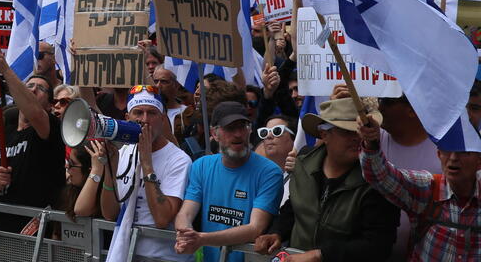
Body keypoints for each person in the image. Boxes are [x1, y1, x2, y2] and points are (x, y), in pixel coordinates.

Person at [255, 98, 398, 262]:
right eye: (346, 131)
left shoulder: (379, 181)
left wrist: (320, 255)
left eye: (360, 131)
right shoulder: (303, 165)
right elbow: (294, 207)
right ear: (324, 134)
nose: (356, 137)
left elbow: (378, 246)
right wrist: (277, 233)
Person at [358, 113, 481, 260]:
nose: (453, 158)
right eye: (447, 149)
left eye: (464, 152)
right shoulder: (428, 188)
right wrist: (371, 143)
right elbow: (380, 175)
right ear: (439, 154)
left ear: (479, 161)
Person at [93, 85, 193, 262]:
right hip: (126, 253)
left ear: (163, 119)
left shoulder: (179, 160)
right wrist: (110, 169)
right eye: (138, 112)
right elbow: (110, 213)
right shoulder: (124, 152)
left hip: (162, 258)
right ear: (127, 118)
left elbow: (162, 219)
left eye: (152, 113)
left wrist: (147, 164)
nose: (145, 120)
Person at [174, 101, 283, 262]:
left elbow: (255, 228)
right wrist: (186, 234)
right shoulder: (201, 166)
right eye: (230, 128)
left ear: (250, 130)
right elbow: (185, 213)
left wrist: (202, 239)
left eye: (242, 127)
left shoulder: (269, 172)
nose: (238, 134)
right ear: (214, 133)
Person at [0, 47, 65, 233]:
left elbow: (35, 112)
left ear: (50, 105)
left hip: (37, 232)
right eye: (29, 86)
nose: (33, 90)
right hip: (2, 229)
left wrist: (5, 70)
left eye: (41, 88)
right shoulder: (6, 133)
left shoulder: (50, 127)